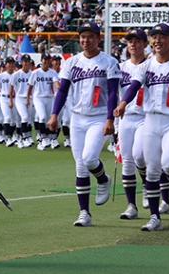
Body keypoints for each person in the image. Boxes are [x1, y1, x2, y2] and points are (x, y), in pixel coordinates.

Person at [114, 23, 169, 232]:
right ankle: (154, 217)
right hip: (150, 119)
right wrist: (123, 102)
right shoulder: (146, 66)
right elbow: (133, 86)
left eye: (162, 37)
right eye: (154, 37)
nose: (157, 41)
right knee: (151, 170)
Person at [48, 22, 121, 227]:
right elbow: (62, 90)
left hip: (99, 117)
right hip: (77, 117)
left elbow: (114, 91)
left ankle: (103, 179)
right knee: (80, 167)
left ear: (98, 38)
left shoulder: (109, 61)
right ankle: (84, 213)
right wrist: (55, 114)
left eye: (90, 36)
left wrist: (110, 118)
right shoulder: (72, 62)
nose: (85, 40)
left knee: (89, 159)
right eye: (82, 36)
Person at [116, 29, 149, 220]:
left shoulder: (152, 66)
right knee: (127, 161)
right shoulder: (120, 67)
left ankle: (146, 184)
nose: (133, 45)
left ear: (145, 44)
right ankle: (131, 206)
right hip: (126, 118)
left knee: (140, 155)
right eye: (130, 42)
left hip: (146, 117)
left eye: (137, 41)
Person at [28, 53, 60, 150]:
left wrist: (60, 89)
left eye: (48, 59)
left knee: (49, 119)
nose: (46, 61)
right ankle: (42, 139)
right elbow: (30, 86)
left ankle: (51, 138)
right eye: (44, 59)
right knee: (41, 117)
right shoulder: (35, 73)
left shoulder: (52, 72)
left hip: (50, 98)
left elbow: (56, 84)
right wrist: (27, 99)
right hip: (38, 98)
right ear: (41, 60)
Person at [10, 54, 35, 148]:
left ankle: (22, 137)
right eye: (25, 61)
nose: (27, 63)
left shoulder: (32, 74)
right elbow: (11, 87)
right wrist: (11, 100)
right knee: (23, 117)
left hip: (30, 98)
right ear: (22, 62)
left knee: (28, 119)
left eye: (28, 61)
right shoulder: (17, 74)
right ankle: (24, 138)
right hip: (20, 99)